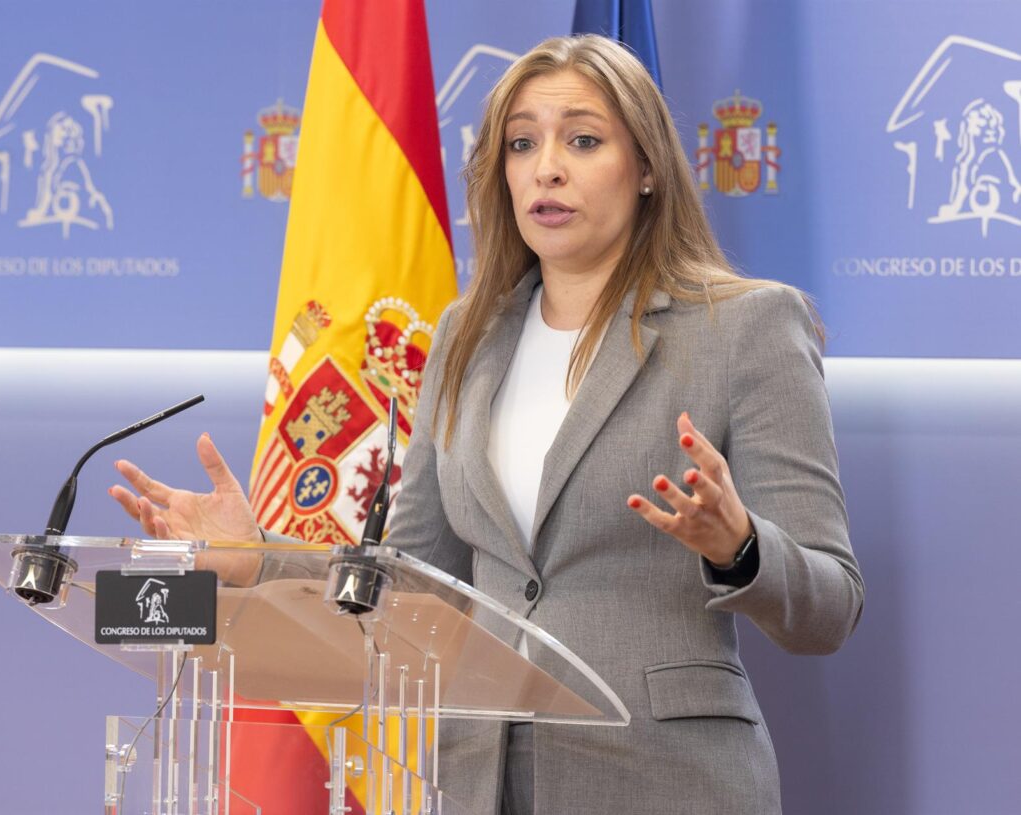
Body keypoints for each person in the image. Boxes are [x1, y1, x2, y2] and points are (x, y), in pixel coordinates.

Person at [110, 34, 863, 815]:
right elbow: (410, 579)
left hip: (666, 780)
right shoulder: (468, 336)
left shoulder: (746, 327)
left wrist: (739, 546)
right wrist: (257, 557)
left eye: (583, 140)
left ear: (647, 167)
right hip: (479, 782)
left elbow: (831, 607)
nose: (547, 168)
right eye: (522, 144)